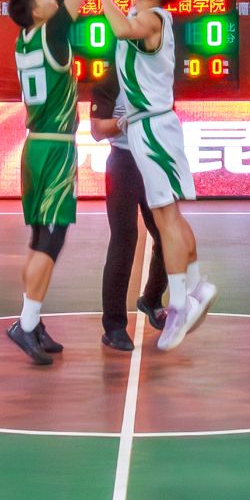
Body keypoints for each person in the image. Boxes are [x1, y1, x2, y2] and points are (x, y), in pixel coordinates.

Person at [97, 0, 217, 353]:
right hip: (151, 128)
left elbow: (120, 29)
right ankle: (196, 286)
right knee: (171, 216)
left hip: (151, 129)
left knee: (165, 219)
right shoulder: (147, 8)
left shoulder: (149, 19)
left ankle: (182, 305)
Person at [3, 0, 91, 365]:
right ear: (38, 12)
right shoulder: (55, 34)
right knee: (51, 243)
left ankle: (31, 320)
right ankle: (26, 325)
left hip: (33, 148)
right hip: (55, 150)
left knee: (40, 240)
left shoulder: (24, 39)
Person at [92, 67, 167, 352]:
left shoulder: (156, 75)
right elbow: (97, 131)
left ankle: (151, 299)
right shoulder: (109, 78)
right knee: (124, 240)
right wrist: (126, 121)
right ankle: (113, 326)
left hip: (154, 161)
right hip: (123, 163)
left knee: (167, 235)